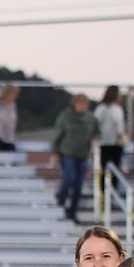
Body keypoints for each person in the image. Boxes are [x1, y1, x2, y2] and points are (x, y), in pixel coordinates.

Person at [50, 92, 98, 223]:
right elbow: (57, 135)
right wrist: (54, 152)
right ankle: (60, 205)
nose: (83, 107)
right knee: (69, 179)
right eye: (81, 104)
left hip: (83, 155)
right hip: (67, 153)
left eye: (85, 104)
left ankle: (73, 212)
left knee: (78, 185)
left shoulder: (89, 118)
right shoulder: (65, 116)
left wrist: (94, 140)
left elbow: (96, 132)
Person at [94, 86, 127, 179]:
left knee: (105, 167)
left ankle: (106, 189)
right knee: (112, 167)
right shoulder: (115, 109)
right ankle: (109, 189)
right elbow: (120, 126)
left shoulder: (101, 108)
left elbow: (96, 123)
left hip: (106, 142)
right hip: (111, 142)